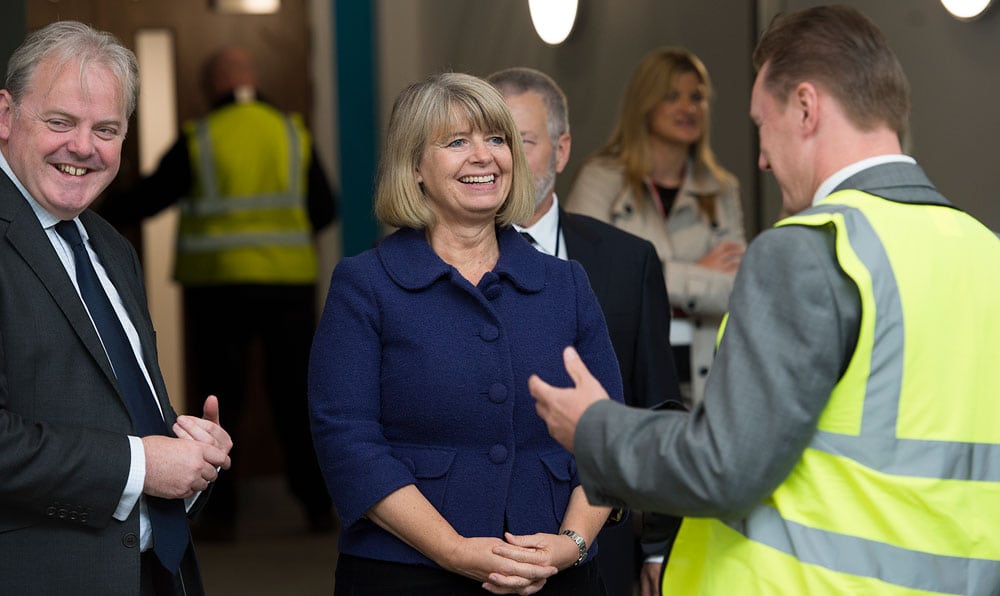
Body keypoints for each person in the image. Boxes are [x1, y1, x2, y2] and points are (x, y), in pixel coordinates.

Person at [529, 5, 1000, 595]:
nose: (760, 157)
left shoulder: (812, 248)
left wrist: (593, 428)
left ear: (805, 107)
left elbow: (720, 467)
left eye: (761, 125)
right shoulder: (986, 251)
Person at [308, 72, 624, 595]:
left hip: (556, 577)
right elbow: (346, 441)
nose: (484, 156)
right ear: (414, 169)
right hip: (405, 576)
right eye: (457, 142)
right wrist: (452, 549)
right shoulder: (364, 286)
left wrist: (571, 544)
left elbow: (608, 431)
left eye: (496, 139)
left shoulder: (566, 283)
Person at [0, 21, 233, 596]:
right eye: (60, 122)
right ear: (5, 116)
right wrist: (142, 466)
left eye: (106, 128)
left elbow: (116, 408)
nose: (83, 147)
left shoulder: (109, 245)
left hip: (155, 571)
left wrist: (191, 458)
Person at [102, 45, 336, 538]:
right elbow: (325, 207)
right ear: (251, 77)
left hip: (218, 287)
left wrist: (91, 212)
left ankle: (218, 513)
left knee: (217, 401)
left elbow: (149, 198)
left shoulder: (202, 136)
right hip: (287, 285)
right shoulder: (291, 131)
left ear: (213, 85)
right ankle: (317, 507)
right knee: (295, 396)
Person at [486, 66, 683, 596]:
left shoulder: (627, 262)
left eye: (521, 141)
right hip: (478, 547)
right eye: (491, 139)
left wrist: (659, 545)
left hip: (604, 543)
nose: (501, 159)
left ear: (562, 148)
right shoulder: (437, 262)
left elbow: (655, 403)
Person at [565, 47, 745, 406]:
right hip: (622, 370)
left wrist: (649, 279)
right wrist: (698, 274)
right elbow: (586, 277)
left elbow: (736, 287)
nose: (688, 107)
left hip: (705, 377)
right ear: (644, 103)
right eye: (671, 95)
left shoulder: (722, 189)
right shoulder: (600, 179)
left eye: (697, 97)